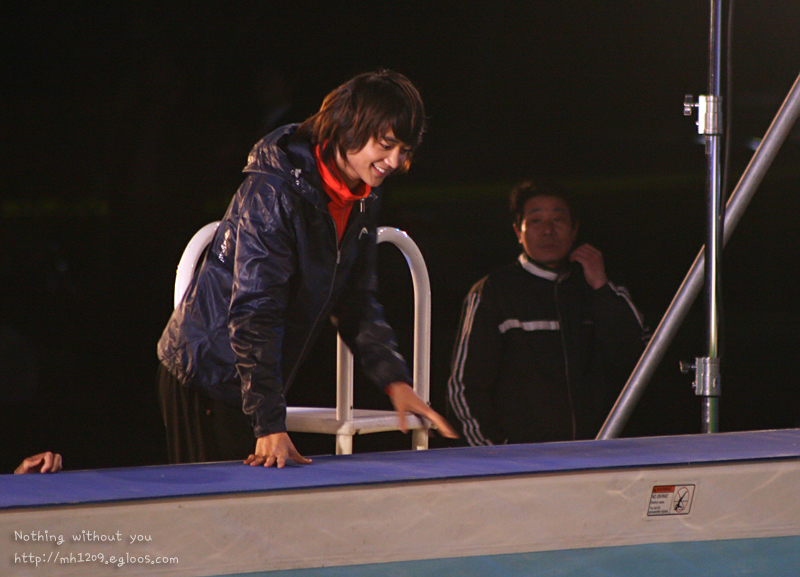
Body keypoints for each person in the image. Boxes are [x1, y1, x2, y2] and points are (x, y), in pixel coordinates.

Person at [158, 70, 457, 468]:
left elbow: (356, 301)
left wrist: (395, 380)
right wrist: (268, 422)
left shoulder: (362, 195)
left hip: (252, 381)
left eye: (404, 149)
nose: (396, 162)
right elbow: (254, 312)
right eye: (386, 145)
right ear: (349, 127)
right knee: (220, 506)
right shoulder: (275, 190)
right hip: (207, 375)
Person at [447, 180, 647, 446]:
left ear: (575, 229)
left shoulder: (599, 288)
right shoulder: (493, 292)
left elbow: (637, 360)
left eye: (558, 220)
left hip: (597, 455)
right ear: (518, 232)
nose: (548, 230)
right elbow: (464, 388)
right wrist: (495, 455)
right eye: (536, 221)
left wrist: (601, 286)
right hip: (521, 460)